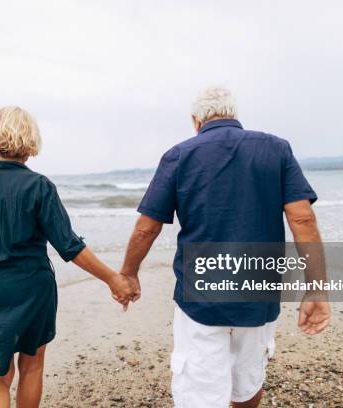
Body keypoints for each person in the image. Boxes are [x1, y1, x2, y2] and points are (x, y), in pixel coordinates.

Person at [120, 87, 331, 407]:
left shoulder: (179, 155)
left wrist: (129, 273)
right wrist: (316, 289)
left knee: (201, 389)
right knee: (247, 380)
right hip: (259, 290)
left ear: (196, 121)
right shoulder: (277, 149)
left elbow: (147, 228)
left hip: (201, 296)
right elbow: (302, 221)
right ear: (233, 115)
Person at [0, 106, 136, 408]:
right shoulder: (39, 186)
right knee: (32, 366)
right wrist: (113, 279)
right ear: (30, 140)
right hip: (32, 288)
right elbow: (69, 246)